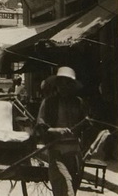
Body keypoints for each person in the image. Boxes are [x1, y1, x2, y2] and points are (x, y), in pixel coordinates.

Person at [36, 66, 88, 196]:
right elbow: (40, 126)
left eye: (68, 83)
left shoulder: (79, 103)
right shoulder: (48, 103)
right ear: (57, 84)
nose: (64, 86)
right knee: (66, 189)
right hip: (57, 152)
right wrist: (55, 130)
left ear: (72, 85)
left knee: (72, 190)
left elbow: (85, 126)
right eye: (61, 82)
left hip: (75, 154)